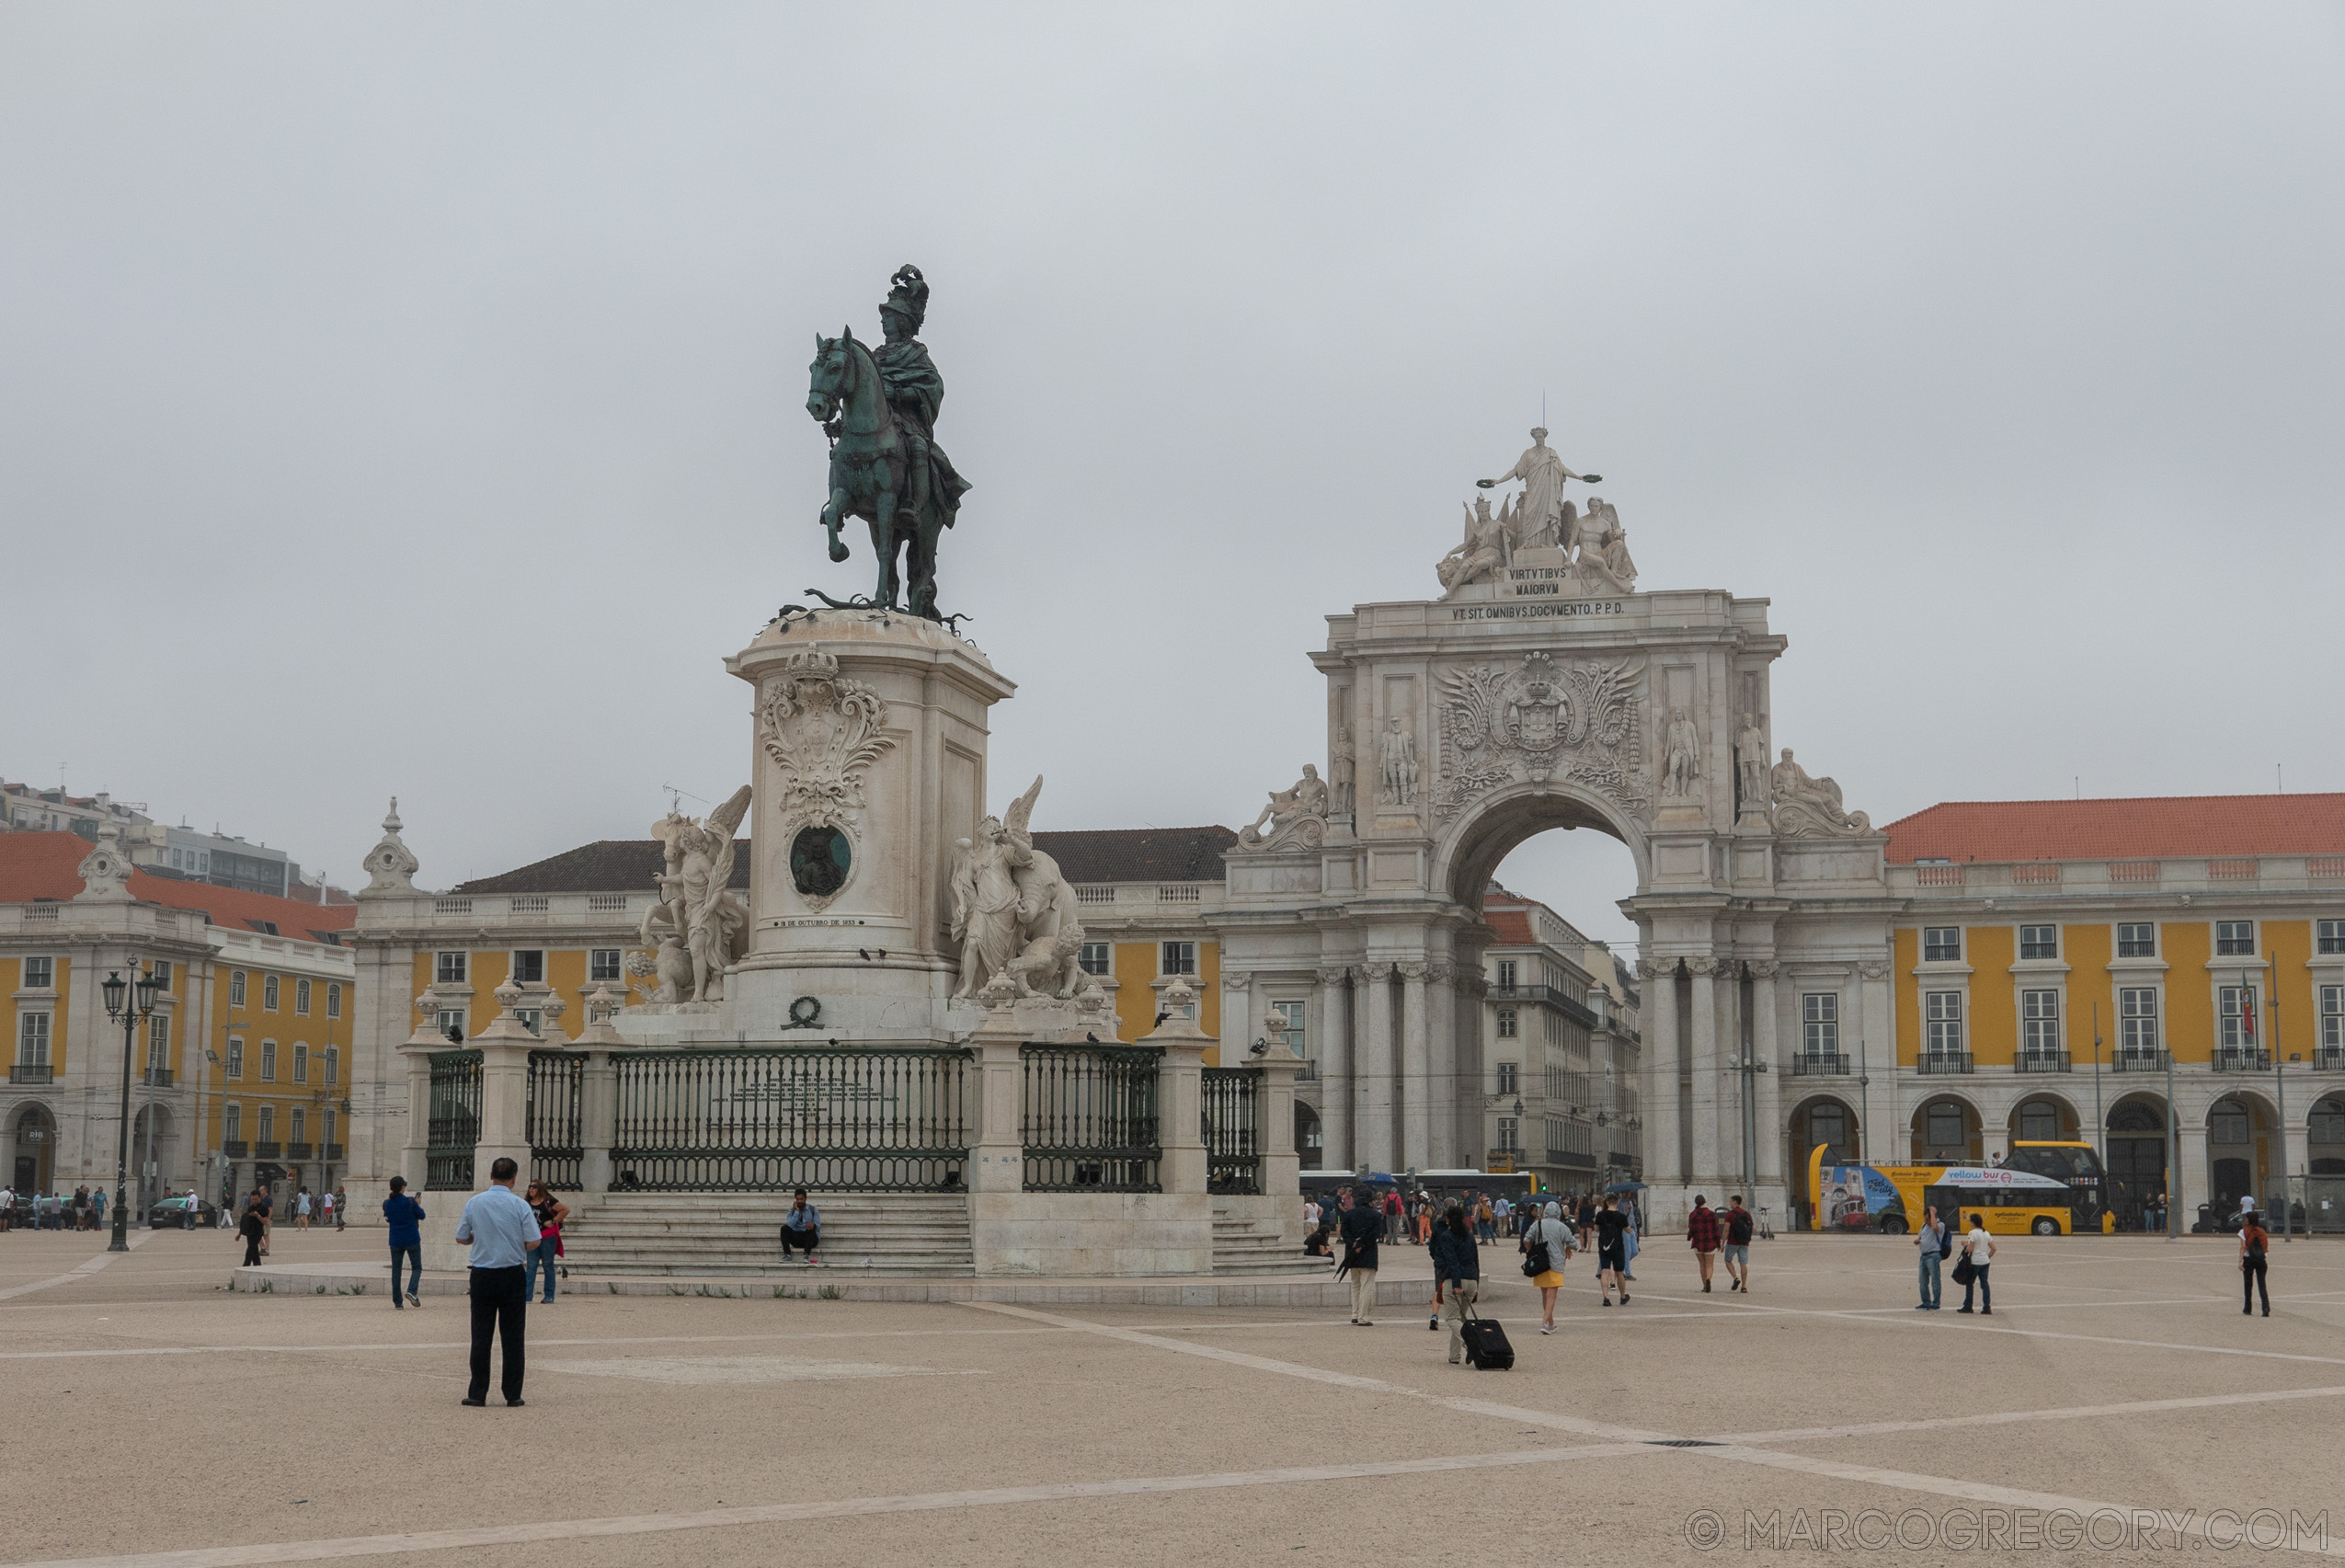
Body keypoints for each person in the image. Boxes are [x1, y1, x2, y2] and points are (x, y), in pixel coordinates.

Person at [454, 1156, 540, 1408]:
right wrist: (515, 1244)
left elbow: (461, 1237)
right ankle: (513, 1393)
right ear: (513, 1179)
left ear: (491, 1175)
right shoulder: (520, 1205)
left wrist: (478, 1239)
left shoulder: (475, 1202)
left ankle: (478, 1392)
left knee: (481, 1334)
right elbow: (534, 1241)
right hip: (513, 1273)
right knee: (513, 1336)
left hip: (482, 1273)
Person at [1430, 1202, 1481, 1366]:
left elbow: (1453, 1262)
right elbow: (1476, 1261)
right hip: (1472, 1280)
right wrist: (1477, 1286)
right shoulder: (1470, 1236)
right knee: (1460, 1319)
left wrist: (1456, 1284)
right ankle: (1454, 1356)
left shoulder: (1447, 1236)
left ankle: (1471, 1345)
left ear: (1448, 1219)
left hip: (1455, 1280)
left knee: (1451, 1319)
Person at [1526, 1200, 1575, 1334]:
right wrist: (1568, 1247)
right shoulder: (1561, 1227)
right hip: (1556, 1263)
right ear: (1558, 1212)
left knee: (1545, 1294)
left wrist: (1531, 1253)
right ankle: (1544, 1322)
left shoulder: (1538, 1224)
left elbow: (1526, 1239)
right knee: (1552, 1295)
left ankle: (1550, 1323)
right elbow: (1574, 1242)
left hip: (1540, 1264)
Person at [1338, 1185, 1382, 1325]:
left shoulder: (1349, 1214)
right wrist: (1362, 1245)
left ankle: (1355, 1314)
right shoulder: (1376, 1215)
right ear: (1370, 1201)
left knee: (1355, 1285)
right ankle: (1363, 1317)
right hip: (1368, 1254)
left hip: (1352, 1255)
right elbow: (1375, 1234)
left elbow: (1344, 1232)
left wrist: (1353, 1244)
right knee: (1366, 1287)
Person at [383, 1176, 427, 1309]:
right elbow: (422, 1216)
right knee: (417, 1268)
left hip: (396, 1240)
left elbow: (389, 1219)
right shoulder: (410, 1201)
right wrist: (418, 1204)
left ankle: (398, 1302)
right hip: (411, 1238)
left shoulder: (387, 1203)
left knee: (396, 1271)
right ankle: (411, 1291)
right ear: (403, 1187)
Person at [522, 1181, 568, 1302]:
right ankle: (527, 1296)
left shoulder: (548, 1201)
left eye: (534, 1187)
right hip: (532, 1237)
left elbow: (565, 1210)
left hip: (547, 1236)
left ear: (540, 1188)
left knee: (548, 1265)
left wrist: (553, 1221)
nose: (531, 1189)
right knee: (531, 1266)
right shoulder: (527, 1203)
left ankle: (549, 1296)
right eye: (530, 1186)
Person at [1594, 1194, 1631, 1306]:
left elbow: (1596, 1229)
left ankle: (1606, 1297)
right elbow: (1628, 1230)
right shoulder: (1621, 1216)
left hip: (1604, 1245)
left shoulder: (1600, 1215)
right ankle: (1623, 1296)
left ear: (1607, 1203)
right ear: (1617, 1203)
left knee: (1605, 1271)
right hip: (1618, 1246)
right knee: (1619, 1272)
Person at [1957, 1211, 1995, 1314]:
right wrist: (1987, 1257)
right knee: (1984, 1284)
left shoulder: (1972, 1233)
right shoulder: (1986, 1233)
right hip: (1985, 1262)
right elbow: (1993, 1248)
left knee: (1970, 1284)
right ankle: (1986, 1307)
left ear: (1973, 1222)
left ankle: (1968, 1306)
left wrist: (1965, 1244)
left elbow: (1970, 1249)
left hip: (1975, 1262)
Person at [1687, 1195, 1722, 1293]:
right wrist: (1718, 1243)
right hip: (1710, 1242)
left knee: (1702, 1264)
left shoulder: (1692, 1214)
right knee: (1709, 1265)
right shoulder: (1711, 1214)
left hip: (1698, 1242)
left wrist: (1689, 1237)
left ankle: (1704, 1286)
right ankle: (1708, 1279)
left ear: (1695, 1202)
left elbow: (1691, 1228)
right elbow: (1716, 1229)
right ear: (1704, 1202)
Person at [1914, 1204, 1947, 1311]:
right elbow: (1919, 1237)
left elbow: (1935, 1227)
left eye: (1928, 1219)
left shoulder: (1940, 1224)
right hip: (1923, 1256)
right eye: (1925, 1219)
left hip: (1933, 1255)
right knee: (1922, 1281)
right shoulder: (1924, 1226)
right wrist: (1917, 1241)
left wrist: (1932, 1213)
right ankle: (1926, 1301)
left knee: (1935, 1280)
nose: (1927, 1221)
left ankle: (1936, 1303)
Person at [1721, 1196, 1756, 1293]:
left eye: (1731, 1201)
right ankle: (1744, 1286)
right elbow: (1752, 1228)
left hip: (1733, 1242)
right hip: (1744, 1243)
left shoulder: (1730, 1214)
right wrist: (1747, 1238)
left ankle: (1735, 1278)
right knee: (1743, 1263)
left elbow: (1726, 1229)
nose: (1730, 1203)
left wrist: (1723, 1243)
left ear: (1735, 1202)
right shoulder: (1747, 1214)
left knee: (1728, 1260)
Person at [780, 1189, 823, 1265]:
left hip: (810, 1239)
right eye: (798, 1199)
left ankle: (806, 1255)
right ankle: (787, 1255)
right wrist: (797, 1211)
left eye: (801, 1199)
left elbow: (818, 1226)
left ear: (805, 1199)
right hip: (797, 1238)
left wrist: (813, 1224)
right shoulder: (791, 1211)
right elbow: (790, 1225)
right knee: (784, 1228)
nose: (800, 1201)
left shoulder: (813, 1210)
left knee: (810, 1228)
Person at [2240, 1211, 2271, 1317]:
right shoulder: (2262, 1231)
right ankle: (2265, 1307)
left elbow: (2243, 1247)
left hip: (2249, 1259)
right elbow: (2265, 1246)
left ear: (2248, 1219)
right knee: (2262, 1284)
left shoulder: (2244, 1231)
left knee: (2248, 1285)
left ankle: (2247, 1308)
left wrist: (2240, 1261)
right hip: (2261, 1259)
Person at [237, 1196, 267, 1267]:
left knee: (251, 1248)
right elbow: (245, 1221)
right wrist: (239, 1234)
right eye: (252, 1199)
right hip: (250, 1231)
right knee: (254, 1249)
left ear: (259, 1198)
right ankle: (258, 1265)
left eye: (255, 1199)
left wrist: (257, 1216)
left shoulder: (263, 1208)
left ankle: (245, 1265)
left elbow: (264, 1221)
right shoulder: (250, 1208)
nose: (254, 1201)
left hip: (258, 1232)